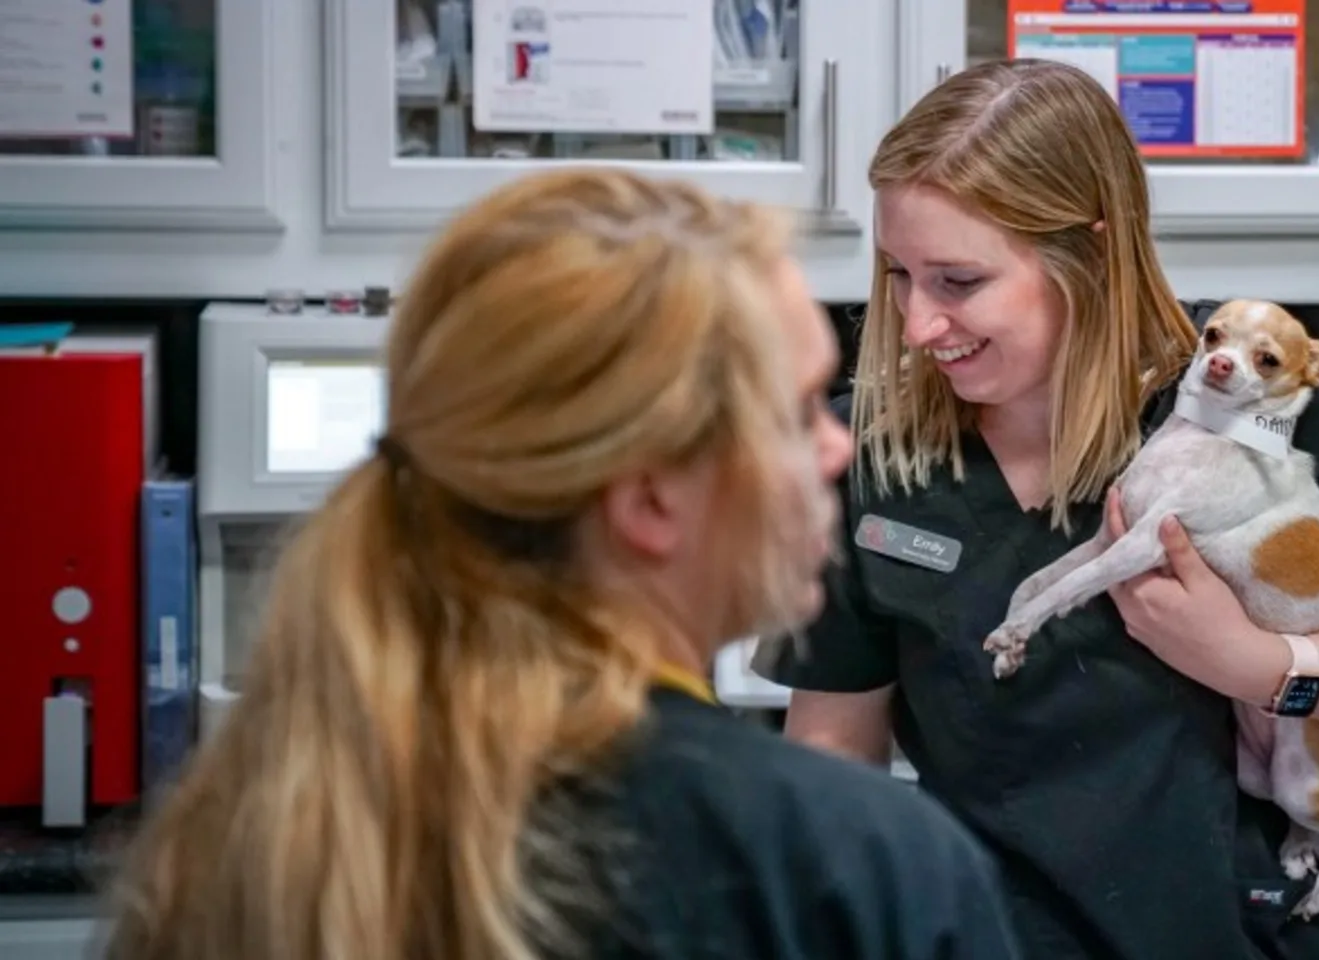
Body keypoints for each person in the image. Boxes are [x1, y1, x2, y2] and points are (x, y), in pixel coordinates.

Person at [101, 169, 1021, 960]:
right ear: (650, 498)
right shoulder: (851, 869)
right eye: (797, 414)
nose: (834, 450)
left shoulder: (252, 824)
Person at [754, 58, 1319, 960]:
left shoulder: (1251, 393)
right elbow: (830, 770)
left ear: (1090, 251)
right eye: (897, 275)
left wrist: (1264, 664)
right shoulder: (870, 457)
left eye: (958, 282)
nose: (920, 324)